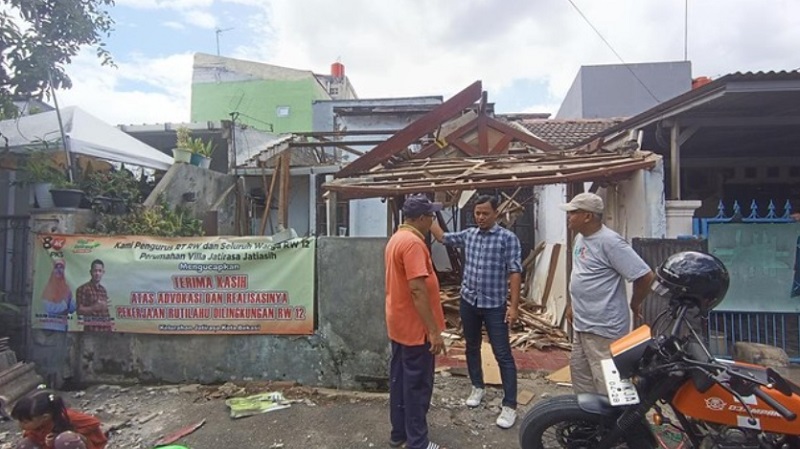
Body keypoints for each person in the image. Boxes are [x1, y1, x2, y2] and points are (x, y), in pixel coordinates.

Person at [430, 194, 522, 429]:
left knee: (502, 353)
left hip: (495, 305)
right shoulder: (469, 235)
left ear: (496, 214)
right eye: (477, 213)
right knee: (471, 346)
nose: (480, 217)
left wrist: (513, 306)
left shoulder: (507, 238)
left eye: (485, 213)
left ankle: (510, 405)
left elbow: (514, 272)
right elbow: (442, 237)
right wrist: (427, 212)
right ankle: (477, 387)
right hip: (469, 302)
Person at [560, 192, 655, 395]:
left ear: (588, 216)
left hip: (604, 329)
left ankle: (619, 425)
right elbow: (580, 274)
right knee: (582, 377)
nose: (569, 217)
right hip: (583, 324)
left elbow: (645, 276)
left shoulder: (611, 242)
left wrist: (634, 303)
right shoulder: (580, 238)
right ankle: (588, 422)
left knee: (610, 385)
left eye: (573, 213)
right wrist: (571, 304)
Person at [385, 193, 447, 449]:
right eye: (431, 216)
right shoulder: (413, 244)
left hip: (399, 324)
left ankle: (399, 434)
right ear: (421, 218)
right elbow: (417, 290)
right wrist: (433, 331)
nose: (433, 219)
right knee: (417, 387)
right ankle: (418, 443)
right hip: (415, 329)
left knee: (400, 381)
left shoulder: (397, 238)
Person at [10, 388, 107, 449]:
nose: (20, 425)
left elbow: (94, 424)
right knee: (25, 444)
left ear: (45, 417)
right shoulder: (35, 428)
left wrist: (70, 434)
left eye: (25, 422)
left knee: (65, 440)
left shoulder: (69, 417)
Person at [76, 260, 112, 332]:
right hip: (91, 331)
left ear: (103, 273)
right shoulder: (83, 289)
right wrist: (94, 308)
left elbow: (105, 312)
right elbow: (79, 310)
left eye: (100, 271)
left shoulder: (103, 290)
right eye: (95, 271)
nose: (97, 273)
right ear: (90, 272)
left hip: (105, 330)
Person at [40, 259, 75, 332]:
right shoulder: (48, 288)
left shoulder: (66, 288)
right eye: (56, 267)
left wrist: (77, 303)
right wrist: (65, 303)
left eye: (61, 267)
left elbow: (70, 309)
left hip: (63, 327)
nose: (59, 270)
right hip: (50, 328)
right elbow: (50, 309)